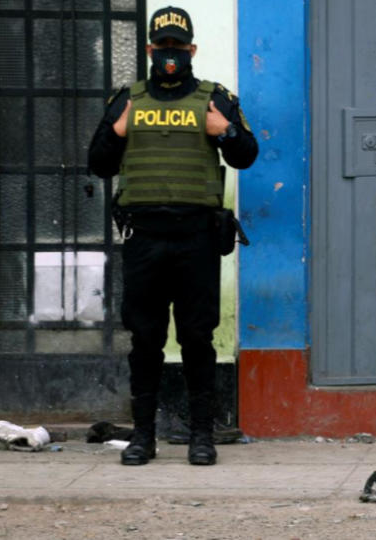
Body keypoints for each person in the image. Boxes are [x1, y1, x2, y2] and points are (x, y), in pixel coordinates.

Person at [88, 6, 258, 466]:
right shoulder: (127, 100)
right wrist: (119, 131)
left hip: (196, 242)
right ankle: (144, 437)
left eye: (177, 48)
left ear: (192, 50)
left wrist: (224, 133)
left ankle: (201, 436)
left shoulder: (215, 99)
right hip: (144, 241)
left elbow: (247, 155)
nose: (169, 55)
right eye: (162, 46)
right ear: (149, 48)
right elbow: (99, 163)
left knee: (198, 339)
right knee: (145, 341)